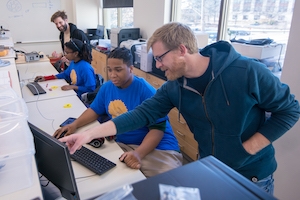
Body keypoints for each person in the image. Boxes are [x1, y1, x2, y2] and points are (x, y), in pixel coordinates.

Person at [60, 22, 300, 194]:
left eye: (160, 57)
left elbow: (290, 110)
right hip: (210, 167)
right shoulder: (174, 86)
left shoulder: (247, 72)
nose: (157, 64)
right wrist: (88, 134)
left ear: (182, 50)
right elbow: (141, 115)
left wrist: (247, 149)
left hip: (253, 174)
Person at [55, 47, 182, 177]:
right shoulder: (107, 88)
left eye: (118, 70)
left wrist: (138, 153)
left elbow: (158, 129)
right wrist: (74, 124)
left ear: (131, 69)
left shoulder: (145, 90)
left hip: (157, 147)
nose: (112, 74)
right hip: (124, 144)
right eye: (109, 70)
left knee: (169, 181)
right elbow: (94, 110)